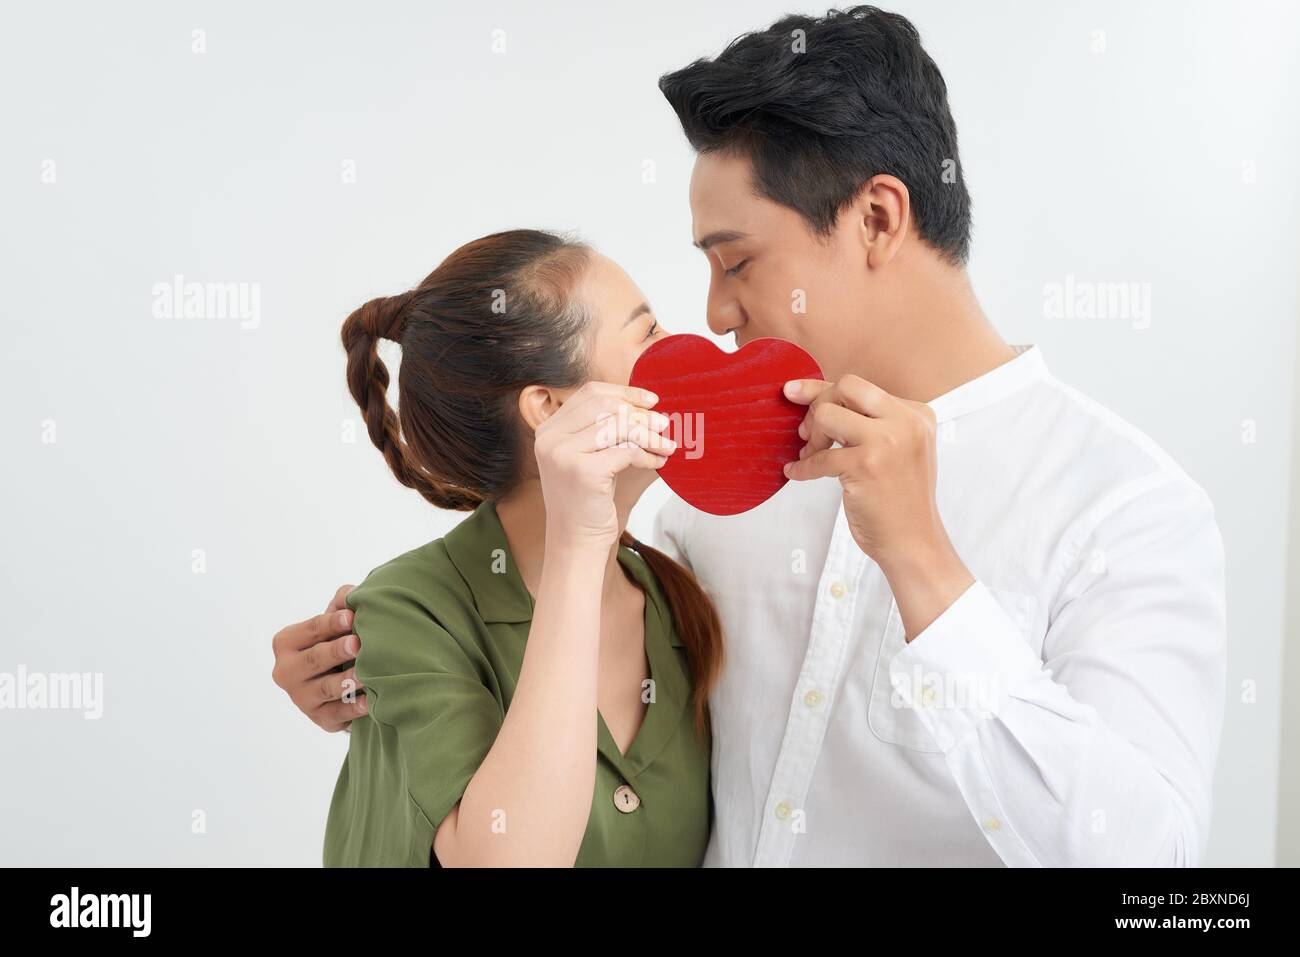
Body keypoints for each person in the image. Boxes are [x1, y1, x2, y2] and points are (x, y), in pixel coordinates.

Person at [275, 6, 1226, 867]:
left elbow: (1156, 866)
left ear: (878, 219)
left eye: (737, 262)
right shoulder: (712, 485)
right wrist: (364, 675)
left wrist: (927, 566)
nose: (716, 312)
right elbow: (555, 603)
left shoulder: (1125, 508)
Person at [315, 228, 720, 866]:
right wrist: (580, 543)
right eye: (649, 334)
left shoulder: (677, 600)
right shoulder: (403, 610)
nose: (691, 351)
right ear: (548, 407)